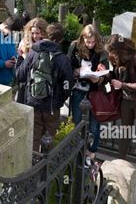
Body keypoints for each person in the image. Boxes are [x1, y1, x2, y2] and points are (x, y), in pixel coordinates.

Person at [104, 34, 136, 181]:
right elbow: (115, 75)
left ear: (120, 51)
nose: (111, 55)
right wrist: (104, 74)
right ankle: (120, 166)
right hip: (126, 101)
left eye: (113, 52)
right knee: (124, 134)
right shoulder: (117, 59)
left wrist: (123, 85)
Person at [15, 23, 74, 151]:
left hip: (33, 103)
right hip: (52, 106)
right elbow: (68, 86)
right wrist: (59, 101)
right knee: (49, 138)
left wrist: (20, 58)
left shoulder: (32, 53)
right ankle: (46, 167)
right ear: (61, 39)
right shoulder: (63, 59)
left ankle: (33, 165)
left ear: (45, 35)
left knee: (34, 138)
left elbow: (19, 75)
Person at [67, 25, 109, 164]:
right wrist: (76, 71)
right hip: (79, 90)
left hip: (95, 92)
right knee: (77, 122)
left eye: (93, 42)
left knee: (94, 126)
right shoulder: (75, 47)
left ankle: (91, 154)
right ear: (82, 38)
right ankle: (77, 152)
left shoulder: (101, 52)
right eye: (87, 42)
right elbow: (67, 67)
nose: (90, 45)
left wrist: (100, 77)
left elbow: (107, 74)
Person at [15, 17, 48, 103]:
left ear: (43, 33)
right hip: (25, 80)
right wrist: (21, 55)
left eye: (38, 33)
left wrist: (24, 55)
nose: (35, 36)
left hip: (40, 82)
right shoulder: (24, 42)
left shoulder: (46, 44)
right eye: (32, 33)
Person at [0, 16, 24, 86]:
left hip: (8, 78)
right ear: (6, 26)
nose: (14, 34)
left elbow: (12, 50)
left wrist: (15, 57)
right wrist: (3, 64)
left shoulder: (9, 34)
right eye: (13, 32)